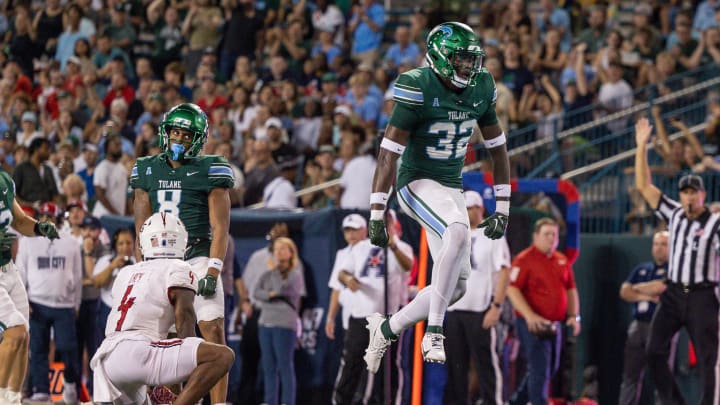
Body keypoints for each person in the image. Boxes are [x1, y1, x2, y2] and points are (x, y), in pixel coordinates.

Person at [364, 21, 511, 372]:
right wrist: (376, 211)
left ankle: (385, 327)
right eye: (461, 60)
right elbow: (388, 154)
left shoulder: (482, 85)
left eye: (472, 60)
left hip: (450, 186)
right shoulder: (417, 85)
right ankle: (433, 331)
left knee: (457, 288)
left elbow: (499, 149)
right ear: (440, 57)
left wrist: (503, 206)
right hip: (415, 183)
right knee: (459, 231)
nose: (469, 68)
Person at [131, 102, 234, 404]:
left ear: (198, 140)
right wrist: (143, 270)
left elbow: (220, 226)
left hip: (198, 255)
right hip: (160, 262)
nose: (178, 139)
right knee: (164, 337)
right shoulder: (146, 168)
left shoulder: (211, 168)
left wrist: (213, 269)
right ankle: (172, 399)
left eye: (186, 135)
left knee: (212, 329)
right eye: (174, 132)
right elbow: (141, 228)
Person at [90, 212, 234, 404]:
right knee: (222, 356)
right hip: (140, 352)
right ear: (182, 241)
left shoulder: (127, 272)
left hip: (108, 359)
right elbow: (184, 318)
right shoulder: (178, 267)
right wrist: (190, 377)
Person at [633, 117, 720, 405]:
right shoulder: (674, 213)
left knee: (709, 360)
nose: (689, 197)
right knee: (653, 351)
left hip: (702, 295)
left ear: (703, 195)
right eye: (685, 192)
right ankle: (675, 402)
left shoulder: (714, 223)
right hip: (673, 293)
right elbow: (645, 187)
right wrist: (641, 147)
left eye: (694, 192)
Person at [327, 213, 413, 404]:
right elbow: (342, 273)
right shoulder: (360, 248)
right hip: (360, 314)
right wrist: (349, 279)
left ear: (393, 224)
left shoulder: (402, 247)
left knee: (387, 366)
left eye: (386, 222)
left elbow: (408, 266)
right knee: (352, 363)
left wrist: (392, 246)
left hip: (387, 317)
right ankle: (341, 400)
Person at [444, 190, 510, 405]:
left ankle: (494, 402)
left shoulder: (493, 234)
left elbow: (503, 272)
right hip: (454, 309)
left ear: (480, 208)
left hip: (480, 308)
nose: (468, 212)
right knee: (455, 366)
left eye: (472, 207)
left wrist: (496, 306)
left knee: (485, 364)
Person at [507, 218, 581, 405]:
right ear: (535, 236)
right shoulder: (524, 259)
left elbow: (571, 288)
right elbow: (512, 289)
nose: (551, 238)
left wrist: (573, 316)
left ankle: (516, 402)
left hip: (554, 324)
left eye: (554, 235)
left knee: (550, 368)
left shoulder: (561, 260)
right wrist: (530, 316)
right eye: (546, 234)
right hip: (532, 323)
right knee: (540, 369)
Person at [0, 174, 59, 405]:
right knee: (14, 332)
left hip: (8, 269)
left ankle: (12, 399)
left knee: (24, 334)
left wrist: (40, 227)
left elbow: (20, 221)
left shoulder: (4, 179)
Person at [16, 202, 81, 404]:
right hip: (36, 302)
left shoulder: (71, 242)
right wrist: (23, 300)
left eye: (50, 217)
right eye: (43, 217)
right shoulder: (28, 241)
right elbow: (21, 272)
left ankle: (71, 384)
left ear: (59, 219)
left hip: (64, 305)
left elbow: (77, 277)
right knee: (38, 348)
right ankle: (41, 390)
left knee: (67, 348)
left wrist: (76, 304)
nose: (46, 221)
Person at [618, 230, 670, 405]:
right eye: (656, 244)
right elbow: (624, 291)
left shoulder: (675, 271)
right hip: (638, 325)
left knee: (662, 376)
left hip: (662, 326)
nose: (659, 248)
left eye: (663, 244)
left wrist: (639, 288)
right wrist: (647, 295)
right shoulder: (642, 268)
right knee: (630, 375)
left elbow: (663, 288)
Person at [253, 237, 306, 405]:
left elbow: (279, 289)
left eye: (283, 248)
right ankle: (270, 401)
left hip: (284, 324)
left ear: (291, 252)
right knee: (268, 366)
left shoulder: (295, 274)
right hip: (265, 323)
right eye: (276, 249)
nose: (279, 252)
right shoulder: (267, 274)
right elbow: (256, 292)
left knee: (285, 366)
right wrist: (270, 295)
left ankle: (287, 401)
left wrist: (272, 290)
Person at [92, 228, 136, 342]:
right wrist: (112, 266)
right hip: (107, 310)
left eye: (128, 243)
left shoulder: (138, 263)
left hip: (130, 313)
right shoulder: (105, 260)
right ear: (115, 245)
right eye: (121, 243)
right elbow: (97, 283)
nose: (125, 247)